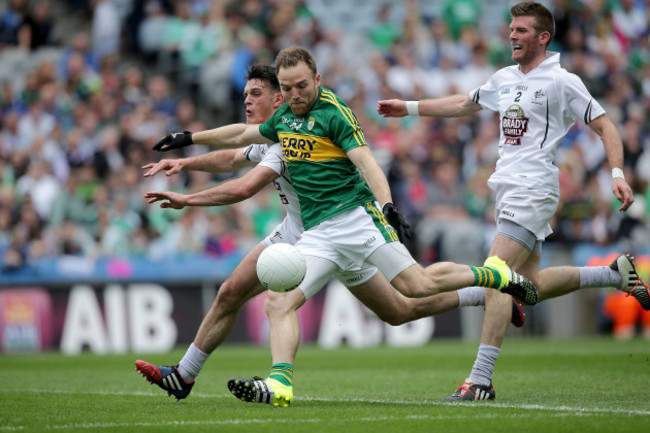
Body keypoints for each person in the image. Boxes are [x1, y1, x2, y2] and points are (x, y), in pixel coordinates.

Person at [150, 46, 539, 407]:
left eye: (301, 86)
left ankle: (493, 276)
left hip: (355, 218)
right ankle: (279, 384)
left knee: (414, 288)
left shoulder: (334, 113)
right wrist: (188, 142)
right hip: (315, 232)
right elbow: (238, 139)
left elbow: (367, 163)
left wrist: (386, 204)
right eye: (288, 88)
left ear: (317, 80)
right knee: (281, 300)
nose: (295, 94)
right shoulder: (283, 119)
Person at [377, 1, 649, 401]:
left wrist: (617, 173)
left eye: (521, 30)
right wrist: (411, 108)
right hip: (507, 190)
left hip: (533, 189)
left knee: (496, 274)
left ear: (543, 37)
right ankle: (613, 274)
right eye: (511, 29)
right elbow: (464, 103)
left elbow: (605, 125)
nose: (512, 35)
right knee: (530, 284)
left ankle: (480, 380)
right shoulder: (504, 77)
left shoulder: (562, 81)